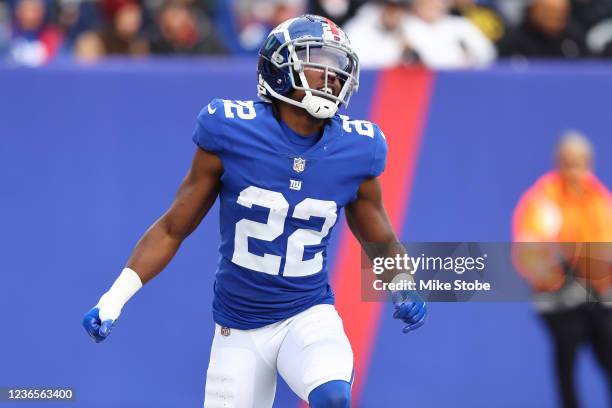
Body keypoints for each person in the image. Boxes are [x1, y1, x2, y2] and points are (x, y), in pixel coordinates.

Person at [82, 15, 426, 408]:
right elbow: (173, 228)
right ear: (280, 68)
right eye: (319, 60)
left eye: (338, 64)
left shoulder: (356, 149)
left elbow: (379, 237)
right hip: (238, 330)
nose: (333, 75)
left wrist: (402, 282)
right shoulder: (232, 132)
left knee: (333, 396)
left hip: (307, 314)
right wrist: (114, 298)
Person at [513, 132, 612, 408]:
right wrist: (558, 274)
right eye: (568, 163)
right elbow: (529, 251)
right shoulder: (543, 200)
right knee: (567, 349)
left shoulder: (599, 200)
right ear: (558, 163)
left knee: (608, 349)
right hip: (558, 297)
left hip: (596, 294)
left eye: (580, 163)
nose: (574, 171)